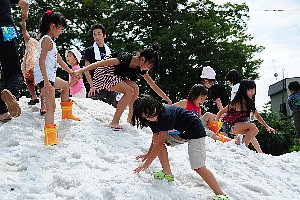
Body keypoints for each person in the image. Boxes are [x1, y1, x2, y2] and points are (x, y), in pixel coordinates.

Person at [132, 94, 228, 199]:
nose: (152, 116)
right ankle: (167, 173)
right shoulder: (151, 120)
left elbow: (160, 143)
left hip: (196, 132)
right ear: (142, 116)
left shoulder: (165, 115)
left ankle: (221, 195)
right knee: (156, 138)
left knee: (198, 166)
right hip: (182, 133)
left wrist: (146, 164)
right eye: (147, 115)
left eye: (152, 111)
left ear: (155, 105)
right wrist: (148, 154)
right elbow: (156, 138)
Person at [76, 44, 172, 129]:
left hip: (116, 76)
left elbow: (152, 85)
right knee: (129, 91)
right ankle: (114, 122)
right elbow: (100, 63)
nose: (148, 69)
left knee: (135, 88)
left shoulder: (141, 69)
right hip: (103, 74)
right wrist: (81, 70)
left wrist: (167, 99)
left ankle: (130, 119)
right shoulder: (125, 59)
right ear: (142, 60)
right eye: (149, 66)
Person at [34, 10, 80, 145]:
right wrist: (47, 83)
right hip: (45, 77)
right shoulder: (47, 40)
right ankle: (50, 136)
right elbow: (41, 61)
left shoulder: (51, 42)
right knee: (51, 107)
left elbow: (59, 60)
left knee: (66, 86)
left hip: (50, 76)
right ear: (53, 26)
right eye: (60, 28)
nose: (61, 31)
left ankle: (66, 114)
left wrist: (71, 72)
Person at [216, 79, 275, 148]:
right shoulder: (235, 103)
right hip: (229, 125)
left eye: (254, 90)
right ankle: (243, 146)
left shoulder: (250, 103)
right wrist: (216, 126)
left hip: (239, 125)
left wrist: (267, 126)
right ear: (244, 91)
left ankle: (242, 145)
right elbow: (220, 113)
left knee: (255, 130)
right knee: (252, 126)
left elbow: (257, 115)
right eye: (251, 90)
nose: (253, 92)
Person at [0, 0, 29, 121]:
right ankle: (11, 92)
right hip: (7, 30)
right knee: (14, 72)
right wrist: (25, 14)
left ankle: (2, 112)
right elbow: (25, 4)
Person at [83, 24, 117, 107]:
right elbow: (86, 69)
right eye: (94, 34)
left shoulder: (111, 52)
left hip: (110, 88)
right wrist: (92, 86)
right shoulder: (89, 51)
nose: (97, 36)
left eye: (99, 34)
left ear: (104, 35)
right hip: (96, 87)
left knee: (111, 112)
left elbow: (114, 70)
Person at [21, 16, 46, 115]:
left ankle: (34, 97)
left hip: (30, 65)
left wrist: (23, 20)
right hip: (35, 64)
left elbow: (24, 30)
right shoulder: (40, 43)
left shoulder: (29, 41)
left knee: (29, 80)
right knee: (40, 84)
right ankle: (42, 105)